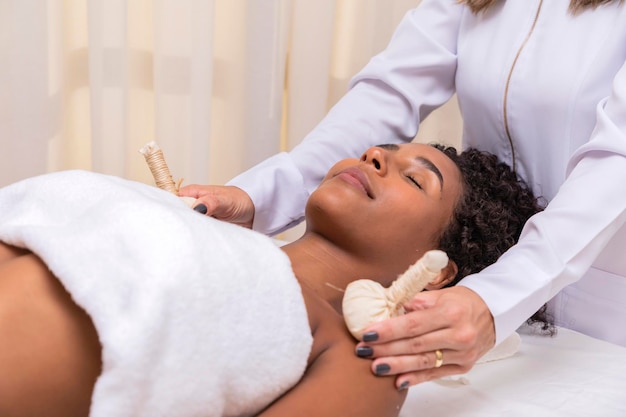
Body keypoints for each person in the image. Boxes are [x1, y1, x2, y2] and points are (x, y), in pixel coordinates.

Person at [179, 0, 626, 388]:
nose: (373, 157)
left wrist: (497, 298)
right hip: (474, 282)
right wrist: (262, 193)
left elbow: (616, 160)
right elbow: (390, 91)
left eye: (417, 179)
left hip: (603, 309)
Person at [0, 143, 543, 417]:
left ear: (439, 272)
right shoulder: (206, 232)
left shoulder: (367, 353)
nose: (376, 155)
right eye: (384, 149)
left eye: (413, 178)